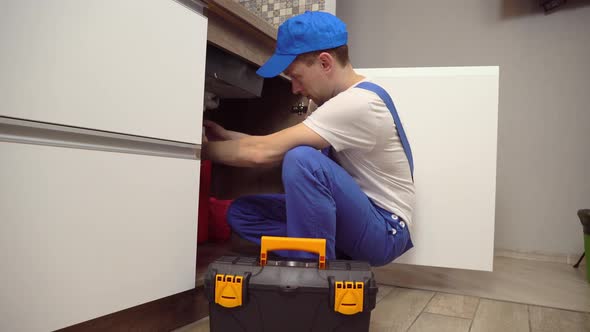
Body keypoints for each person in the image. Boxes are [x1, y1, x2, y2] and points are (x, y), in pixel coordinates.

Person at [202, 11, 414, 266]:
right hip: (353, 217)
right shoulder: (330, 103)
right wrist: (226, 138)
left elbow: (264, 152)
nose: (295, 88)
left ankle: (311, 275)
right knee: (243, 213)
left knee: (302, 159)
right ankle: (327, 252)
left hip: (384, 230)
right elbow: (277, 145)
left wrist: (198, 150)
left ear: (325, 63)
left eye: (296, 76)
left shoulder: (358, 104)